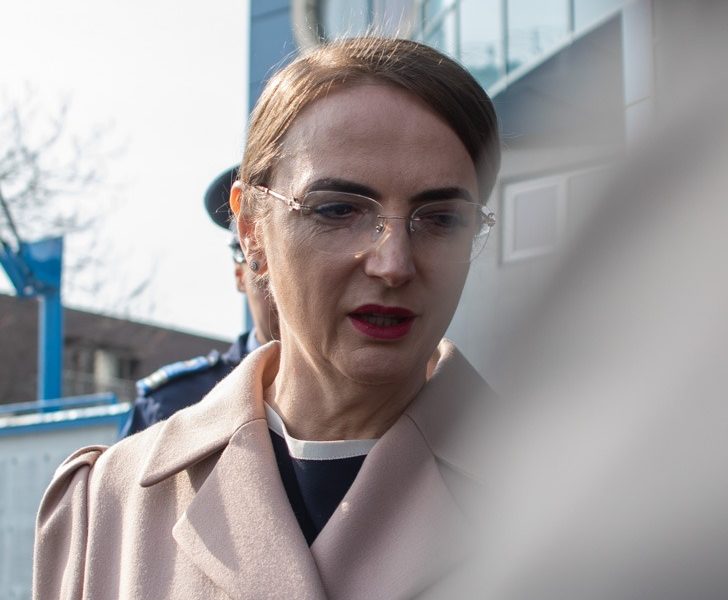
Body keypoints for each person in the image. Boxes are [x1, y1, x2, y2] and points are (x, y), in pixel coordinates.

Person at [34, 37, 500, 599]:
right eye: (338, 210)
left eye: (441, 218)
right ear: (252, 230)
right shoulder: (110, 505)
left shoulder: (565, 497)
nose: (394, 264)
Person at [120, 165, 279, 437]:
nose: (285, 292)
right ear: (240, 274)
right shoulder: (171, 406)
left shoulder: (359, 393)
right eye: (268, 271)